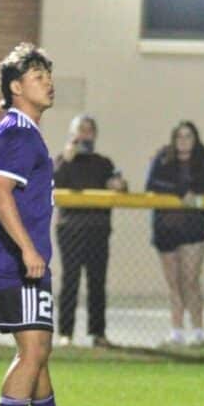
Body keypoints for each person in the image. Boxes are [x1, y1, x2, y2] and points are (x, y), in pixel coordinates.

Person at [0, 43, 85, 406]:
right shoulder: (19, 133)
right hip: (13, 258)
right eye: (38, 77)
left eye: (48, 75)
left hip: (21, 257)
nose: (49, 83)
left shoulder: (21, 131)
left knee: (39, 349)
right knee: (34, 350)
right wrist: (26, 249)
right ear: (16, 86)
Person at [146, 121, 204, 347]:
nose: (183, 140)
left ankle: (199, 331)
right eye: (179, 136)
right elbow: (151, 183)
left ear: (195, 138)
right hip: (166, 226)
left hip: (193, 227)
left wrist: (195, 192)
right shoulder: (162, 158)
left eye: (188, 136)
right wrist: (180, 192)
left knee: (190, 280)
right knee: (174, 281)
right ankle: (176, 330)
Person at [53, 114, 128, 348]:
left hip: (98, 229)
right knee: (70, 282)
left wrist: (120, 186)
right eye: (79, 130)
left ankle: (98, 333)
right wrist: (66, 159)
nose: (84, 134)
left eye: (88, 130)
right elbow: (51, 183)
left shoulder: (103, 163)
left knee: (97, 283)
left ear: (94, 135)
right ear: (71, 134)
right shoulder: (62, 160)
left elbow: (120, 186)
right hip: (70, 229)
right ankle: (65, 334)